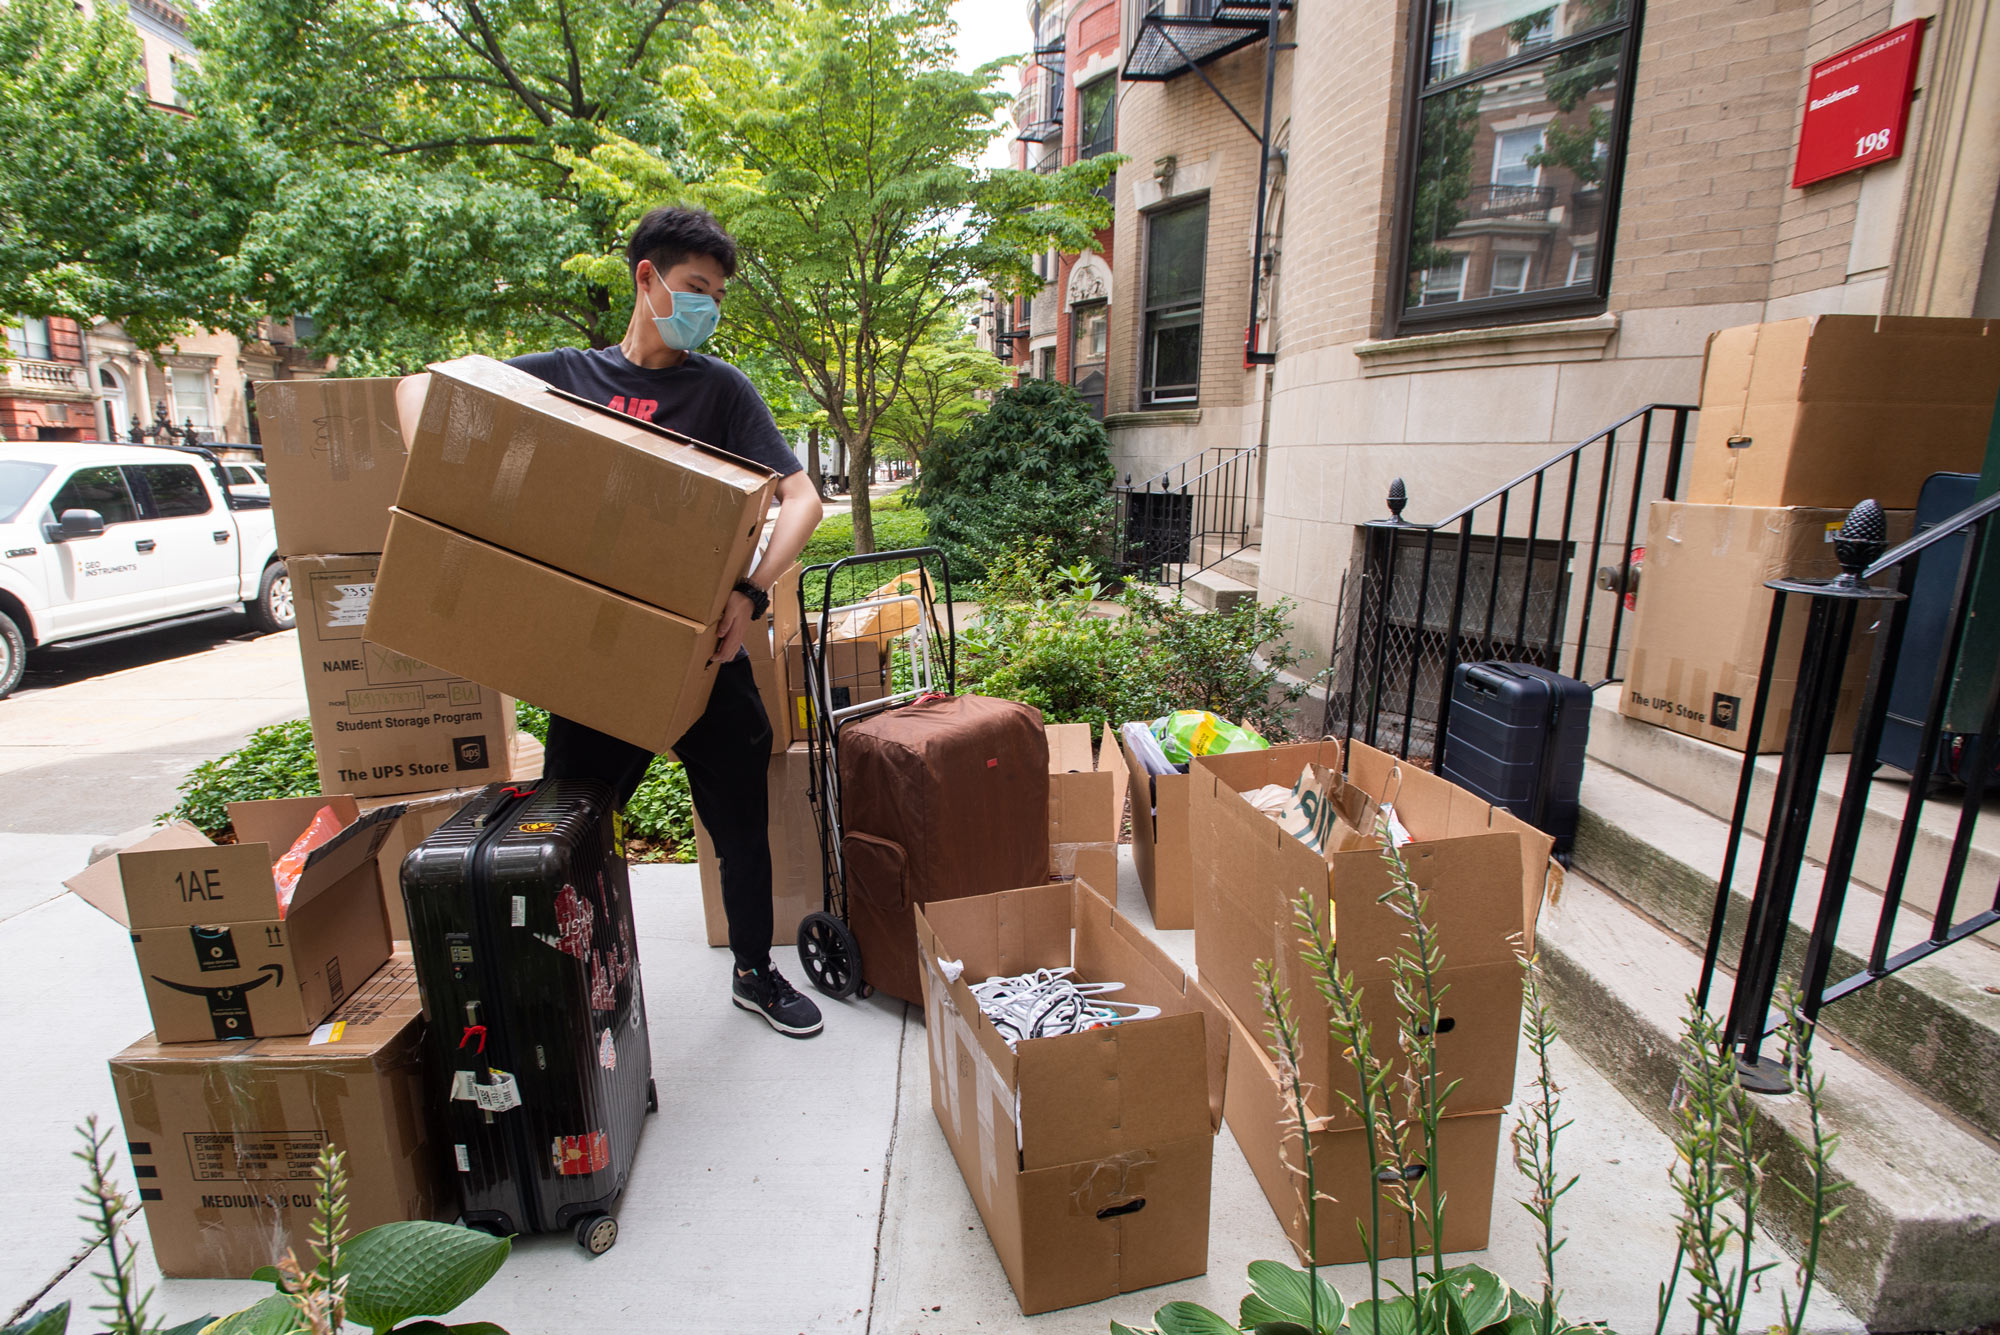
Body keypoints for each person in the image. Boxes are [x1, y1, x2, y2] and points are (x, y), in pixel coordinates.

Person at [394, 206, 828, 1038]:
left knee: (740, 821)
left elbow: (803, 497)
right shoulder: (565, 378)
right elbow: (418, 388)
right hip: (597, 664)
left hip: (706, 651)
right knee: (576, 837)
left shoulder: (721, 391)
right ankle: (579, 983)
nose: (707, 308)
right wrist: (453, 481)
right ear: (646, 278)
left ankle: (753, 970)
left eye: (716, 296)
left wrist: (750, 592)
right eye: (695, 288)